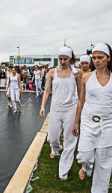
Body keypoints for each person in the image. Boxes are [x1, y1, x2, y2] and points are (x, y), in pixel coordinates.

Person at [72, 43, 112, 193]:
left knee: (104, 161)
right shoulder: (86, 77)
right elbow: (81, 101)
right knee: (84, 155)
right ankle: (86, 168)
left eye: (100, 57)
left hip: (108, 124)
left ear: (108, 58)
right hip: (88, 122)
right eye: (94, 57)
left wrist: (106, 105)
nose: (96, 60)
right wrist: (76, 123)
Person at [40, 46, 82, 181]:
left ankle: (64, 169)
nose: (63, 61)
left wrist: (79, 114)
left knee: (70, 139)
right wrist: (42, 106)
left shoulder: (76, 73)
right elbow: (47, 91)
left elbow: (81, 94)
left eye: (65, 59)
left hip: (71, 108)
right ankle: (56, 149)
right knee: (52, 138)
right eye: (60, 58)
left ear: (70, 59)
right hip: (56, 108)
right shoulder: (52, 72)